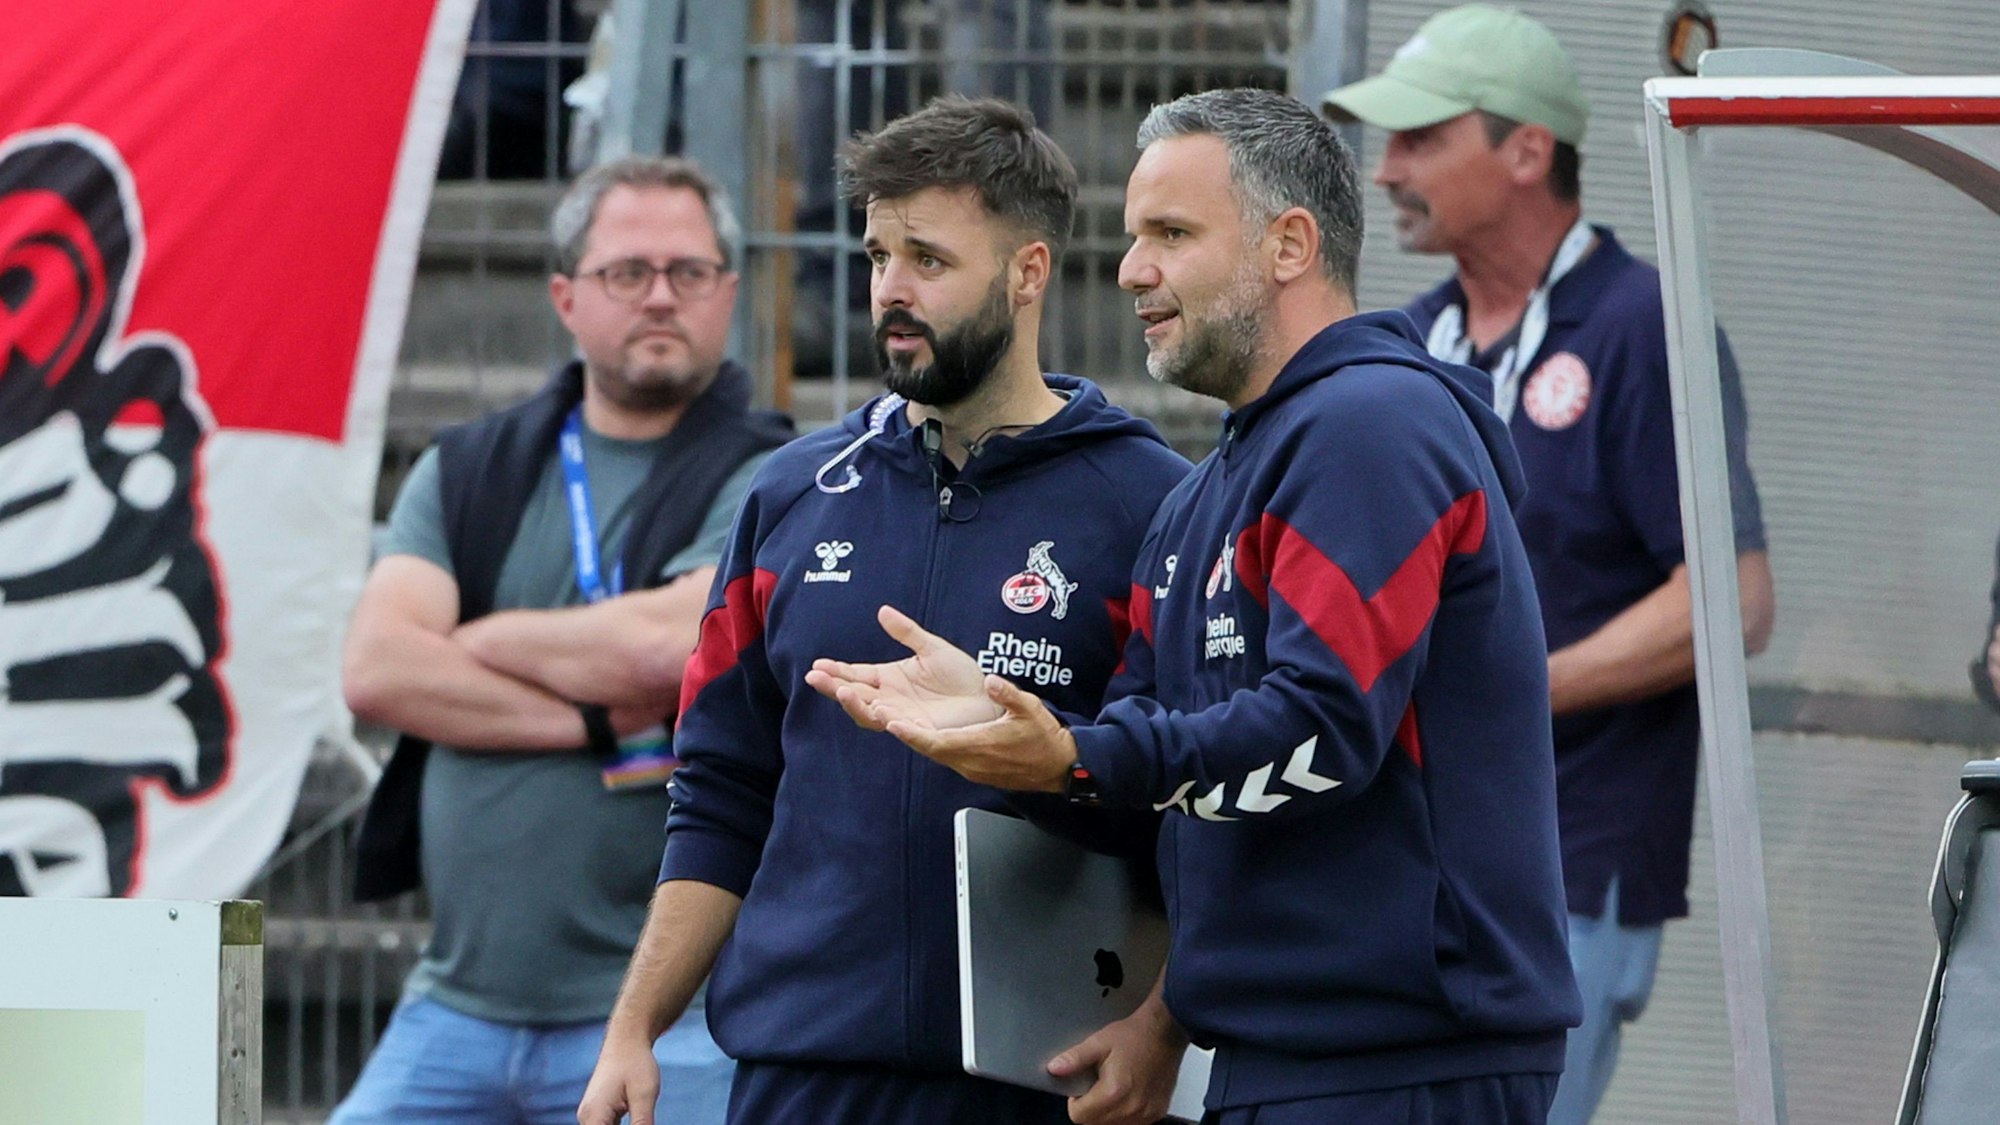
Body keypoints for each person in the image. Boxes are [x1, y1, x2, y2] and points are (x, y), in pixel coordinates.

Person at [811, 87, 1582, 1125]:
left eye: (1169, 234)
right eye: (1133, 237)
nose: (1130, 270)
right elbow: (1148, 757)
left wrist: (1072, 760)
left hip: (1406, 1060)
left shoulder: (1369, 427)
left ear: (1288, 245)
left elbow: (1319, 733)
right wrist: (1005, 721)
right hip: (1279, 1056)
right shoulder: (1199, 497)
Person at [577, 96, 1191, 1125]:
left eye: (928, 261)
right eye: (874, 257)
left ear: (1028, 272)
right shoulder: (789, 496)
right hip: (801, 1076)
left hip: (1045, 1082)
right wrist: (631, 1031)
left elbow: (1198, 809)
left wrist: (1163, 1025)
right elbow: (721, 791)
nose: (891, 293)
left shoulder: (1153, 505)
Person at [1321, 6, 1776, 1121]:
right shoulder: (1405, 337)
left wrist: (1505, 695)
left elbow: (1730, 598)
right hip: (1392, 862)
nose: (1384, 172)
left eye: (1421, 138)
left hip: (1561, 865)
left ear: (1526, 150)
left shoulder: (1636, 325)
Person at [335, 155, 790, 1124]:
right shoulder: (471, 469)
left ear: (728, 293)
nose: (660, 297)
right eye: (627, 273)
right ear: (564, 297)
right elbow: (377, 669)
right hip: (453, 1008)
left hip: (670, 1024)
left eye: (689, 272)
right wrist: (594, 720)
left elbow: (674, 652)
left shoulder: (774, 477)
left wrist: (475, 635)